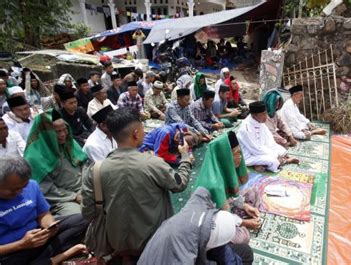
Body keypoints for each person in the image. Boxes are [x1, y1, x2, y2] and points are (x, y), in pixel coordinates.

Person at [81, 108, 192, 262]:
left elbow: (88, 213)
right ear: (135, 133)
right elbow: (179, 184)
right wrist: (185, 158)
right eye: (142, 129)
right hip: (154, 244)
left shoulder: (95, 170)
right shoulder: (153, 164)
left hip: (117, 246)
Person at [0, 156, 88, 265]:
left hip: (39, 240)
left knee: (81, 220)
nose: (20, 192)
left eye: (23, 187)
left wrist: (49, 226)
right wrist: (22, 244)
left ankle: (44, 259)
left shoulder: (32, 186)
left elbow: (44, 214)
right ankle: (57, 257)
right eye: (13, 189)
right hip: (12, 251)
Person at [138, 188, 254, 265]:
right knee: (244, 254)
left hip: (173, 244)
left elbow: (202, 191)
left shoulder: (196, 207)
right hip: (167, 257)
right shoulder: (184, 257)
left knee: (244, 251)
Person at [196, 131, 261, 246]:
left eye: (239, 152)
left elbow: (230, 196)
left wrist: (244, 206)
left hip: (223, 207)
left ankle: (239, 215)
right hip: (211, 220)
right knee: (242, 238)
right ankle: (238, 220)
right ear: (225, 157)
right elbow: (219, 216)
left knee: (252, 192)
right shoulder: (213, 184)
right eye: (235, 153)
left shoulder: (223, 167)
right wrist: (244, 223)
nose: (239, 157)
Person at [24, 109, 88, 216]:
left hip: (85, 187)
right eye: (57, 132)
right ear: (46, 133)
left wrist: (86, 187)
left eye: (65, 129)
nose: (63, 134)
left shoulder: (68, 142)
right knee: (81, 216)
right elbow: (46, 189)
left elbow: (84, 164)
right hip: (62, 199)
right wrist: (74, 196)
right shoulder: (33, 157)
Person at [237, 101, 298, 172]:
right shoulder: (246, 129)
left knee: (281, 150)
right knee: (272, 160)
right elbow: (255, 149)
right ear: (254, 115)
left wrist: (279, 152)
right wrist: (275, 155)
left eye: (266, 113)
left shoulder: (260, 122)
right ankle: (256, 164)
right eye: (263, 114)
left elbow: (270, 141)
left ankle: (264, 163)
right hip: (250, 154)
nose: (266, 116)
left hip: (261, 150)